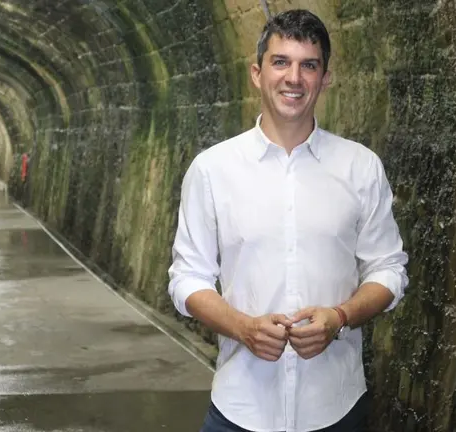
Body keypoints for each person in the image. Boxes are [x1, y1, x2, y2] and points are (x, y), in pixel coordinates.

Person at [167, 9, 409, 432]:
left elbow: (389, 270)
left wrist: (339, 317)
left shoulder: (361, 167)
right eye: (281, 62)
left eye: (308, 66)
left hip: (335, 408)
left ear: (325, 78)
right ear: (257, 74)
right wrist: (243, 328)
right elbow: (187, 278)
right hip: (241, 407)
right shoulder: (212, 170)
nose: (294, 78)